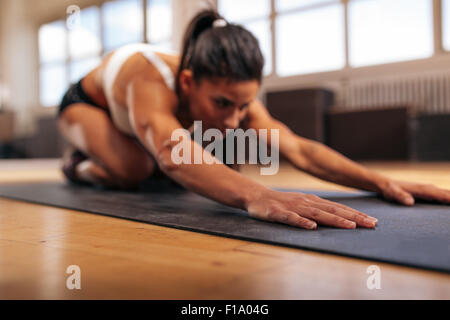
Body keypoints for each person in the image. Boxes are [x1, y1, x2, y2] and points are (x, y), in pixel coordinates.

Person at [56, 9, 450, 231]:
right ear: (188, 82)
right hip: (87, 107)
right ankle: (79, 165)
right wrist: (256, 195)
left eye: (244, 106)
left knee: (219, 158)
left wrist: (381, 182)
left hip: (141, 126)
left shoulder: (233, 100)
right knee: (134, 168)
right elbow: (172, 154)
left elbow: (297, 149)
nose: (234, 120)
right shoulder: (148, 76)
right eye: (224, 103)